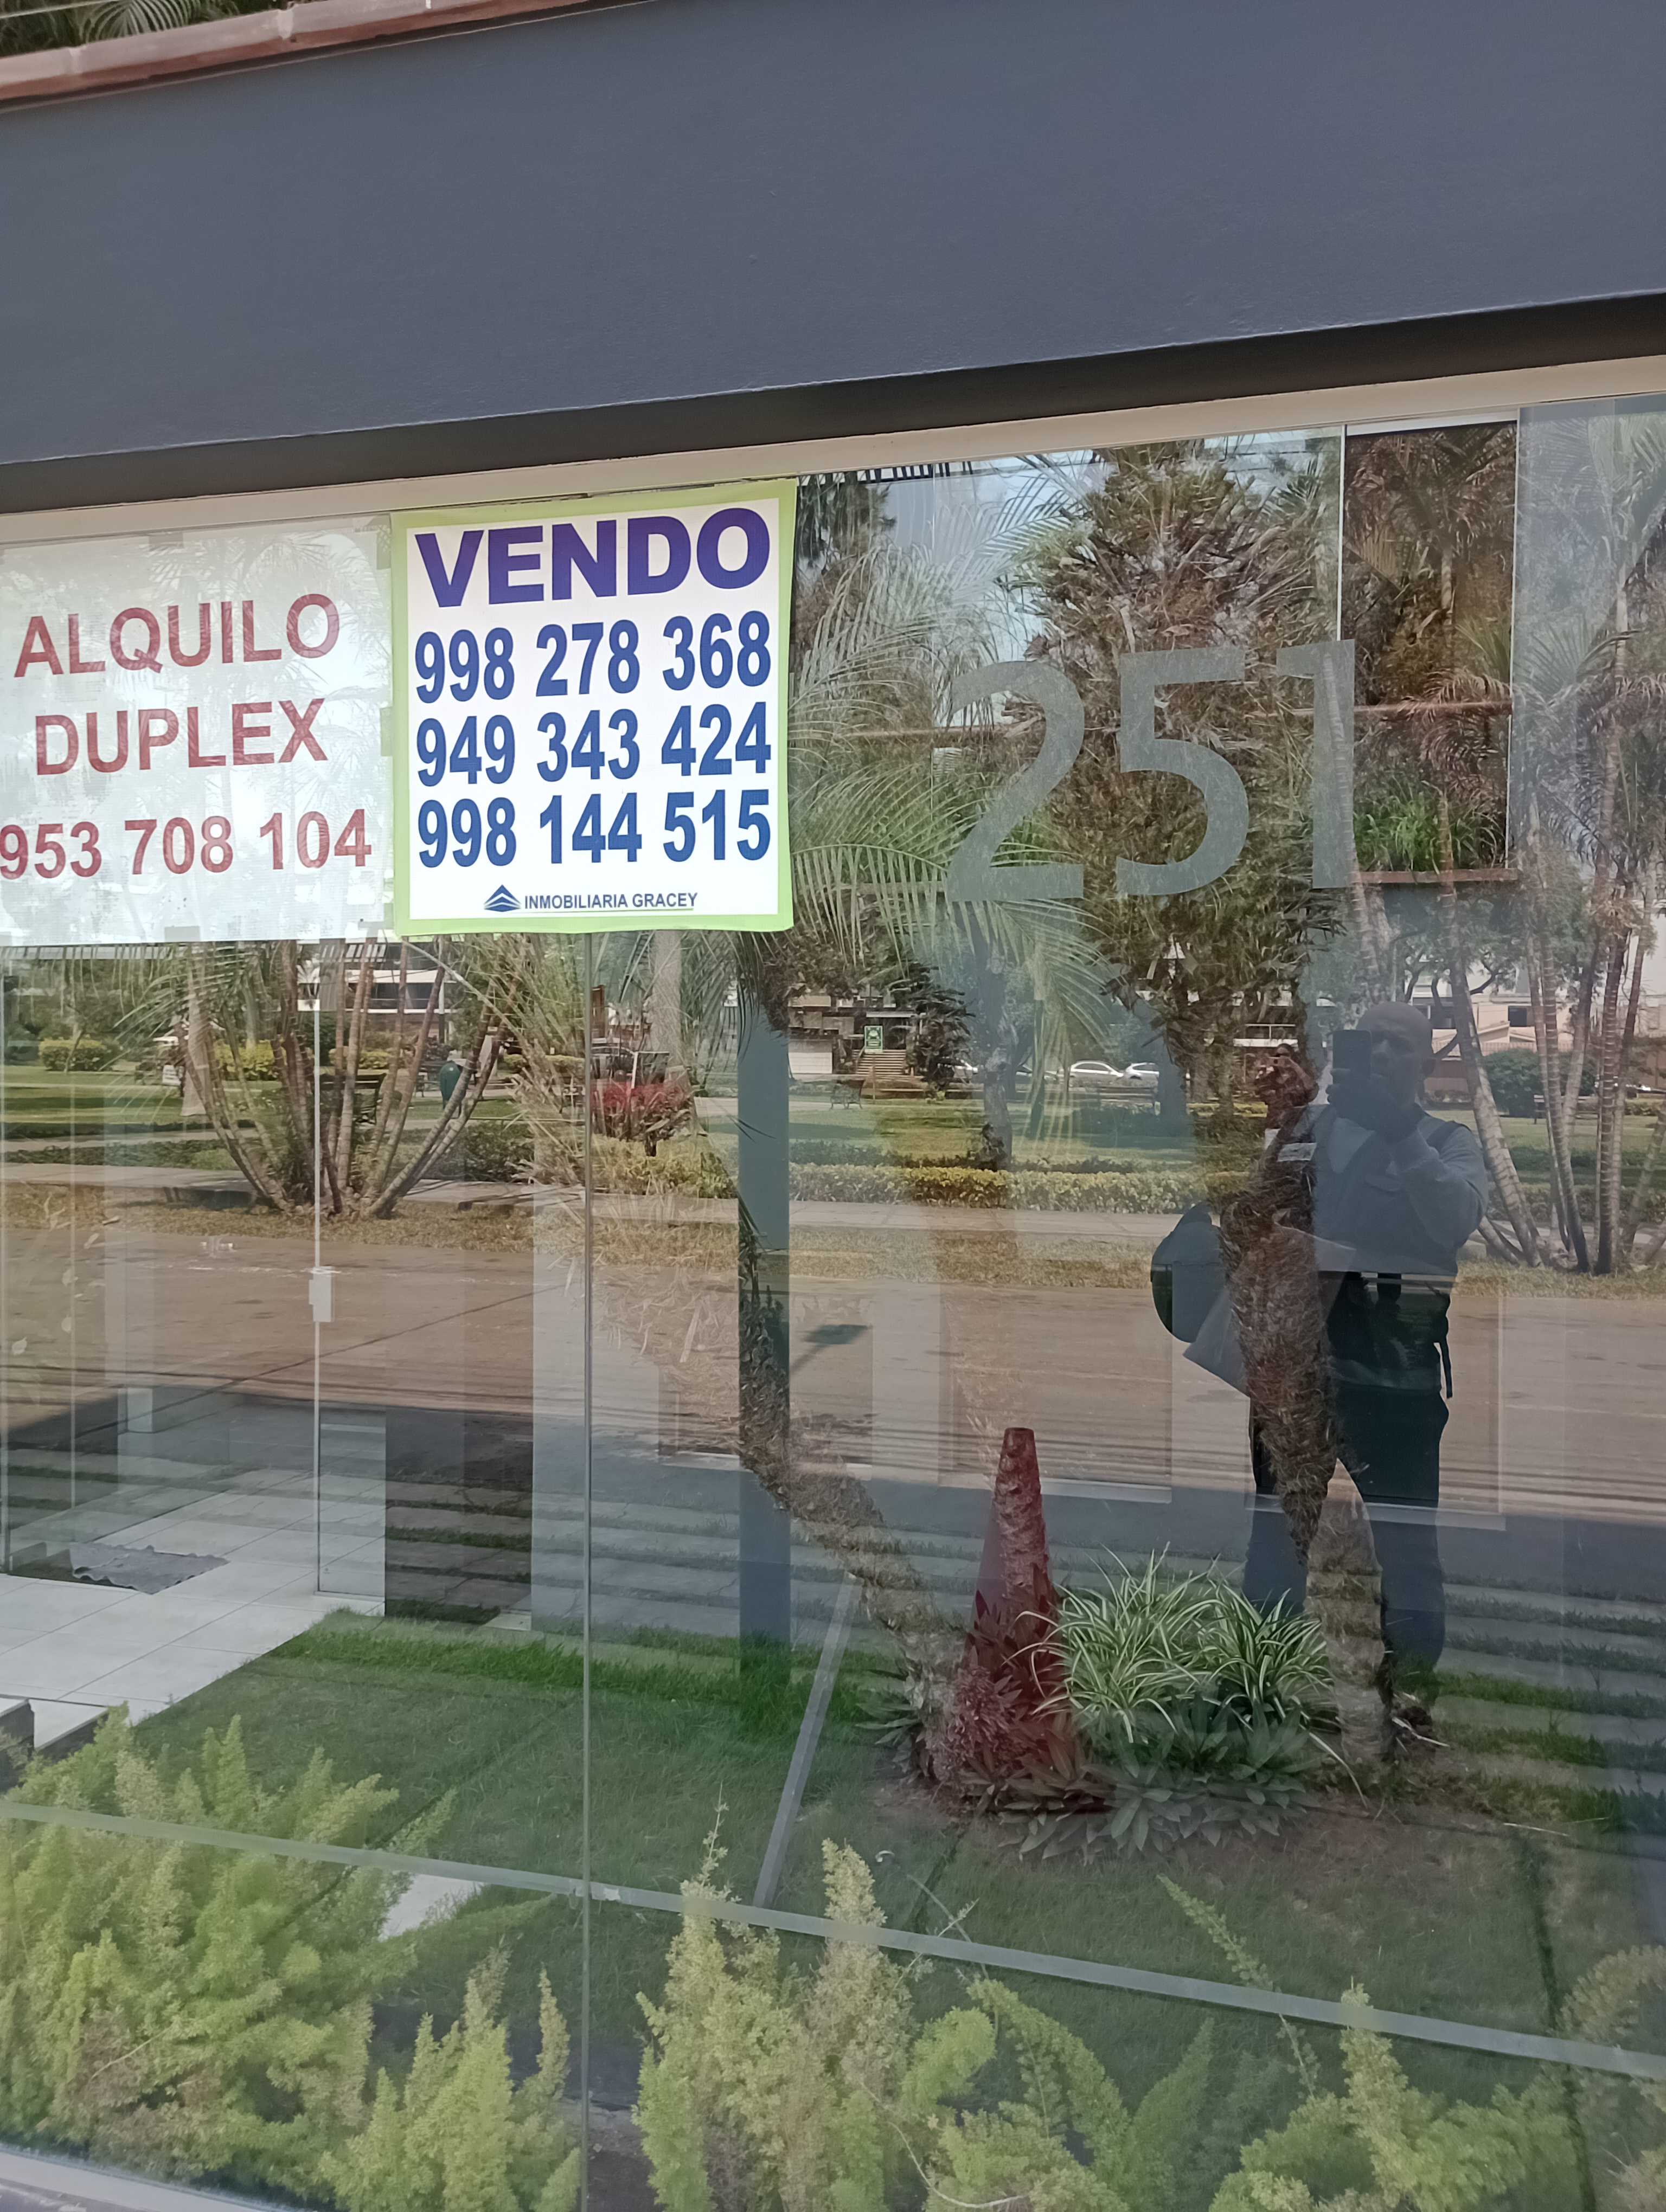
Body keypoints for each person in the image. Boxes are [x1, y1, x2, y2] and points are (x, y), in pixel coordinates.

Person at [1241, 1002, 1486, 1708]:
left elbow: (1453, 1219)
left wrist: (1400, 1130)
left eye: (1396, 1045)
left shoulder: (1447, 1143)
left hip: (1394, 1388)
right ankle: (1257, 1690)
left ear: (1425, 1063)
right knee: (1276, 1543)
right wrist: (1282, 1120)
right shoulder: (1310, 1134)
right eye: (1366, 1042)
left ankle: (1409, 1700)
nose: (1379, 1054)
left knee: (1407, 1553)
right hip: (1297, 1382)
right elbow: (1256, 1214)